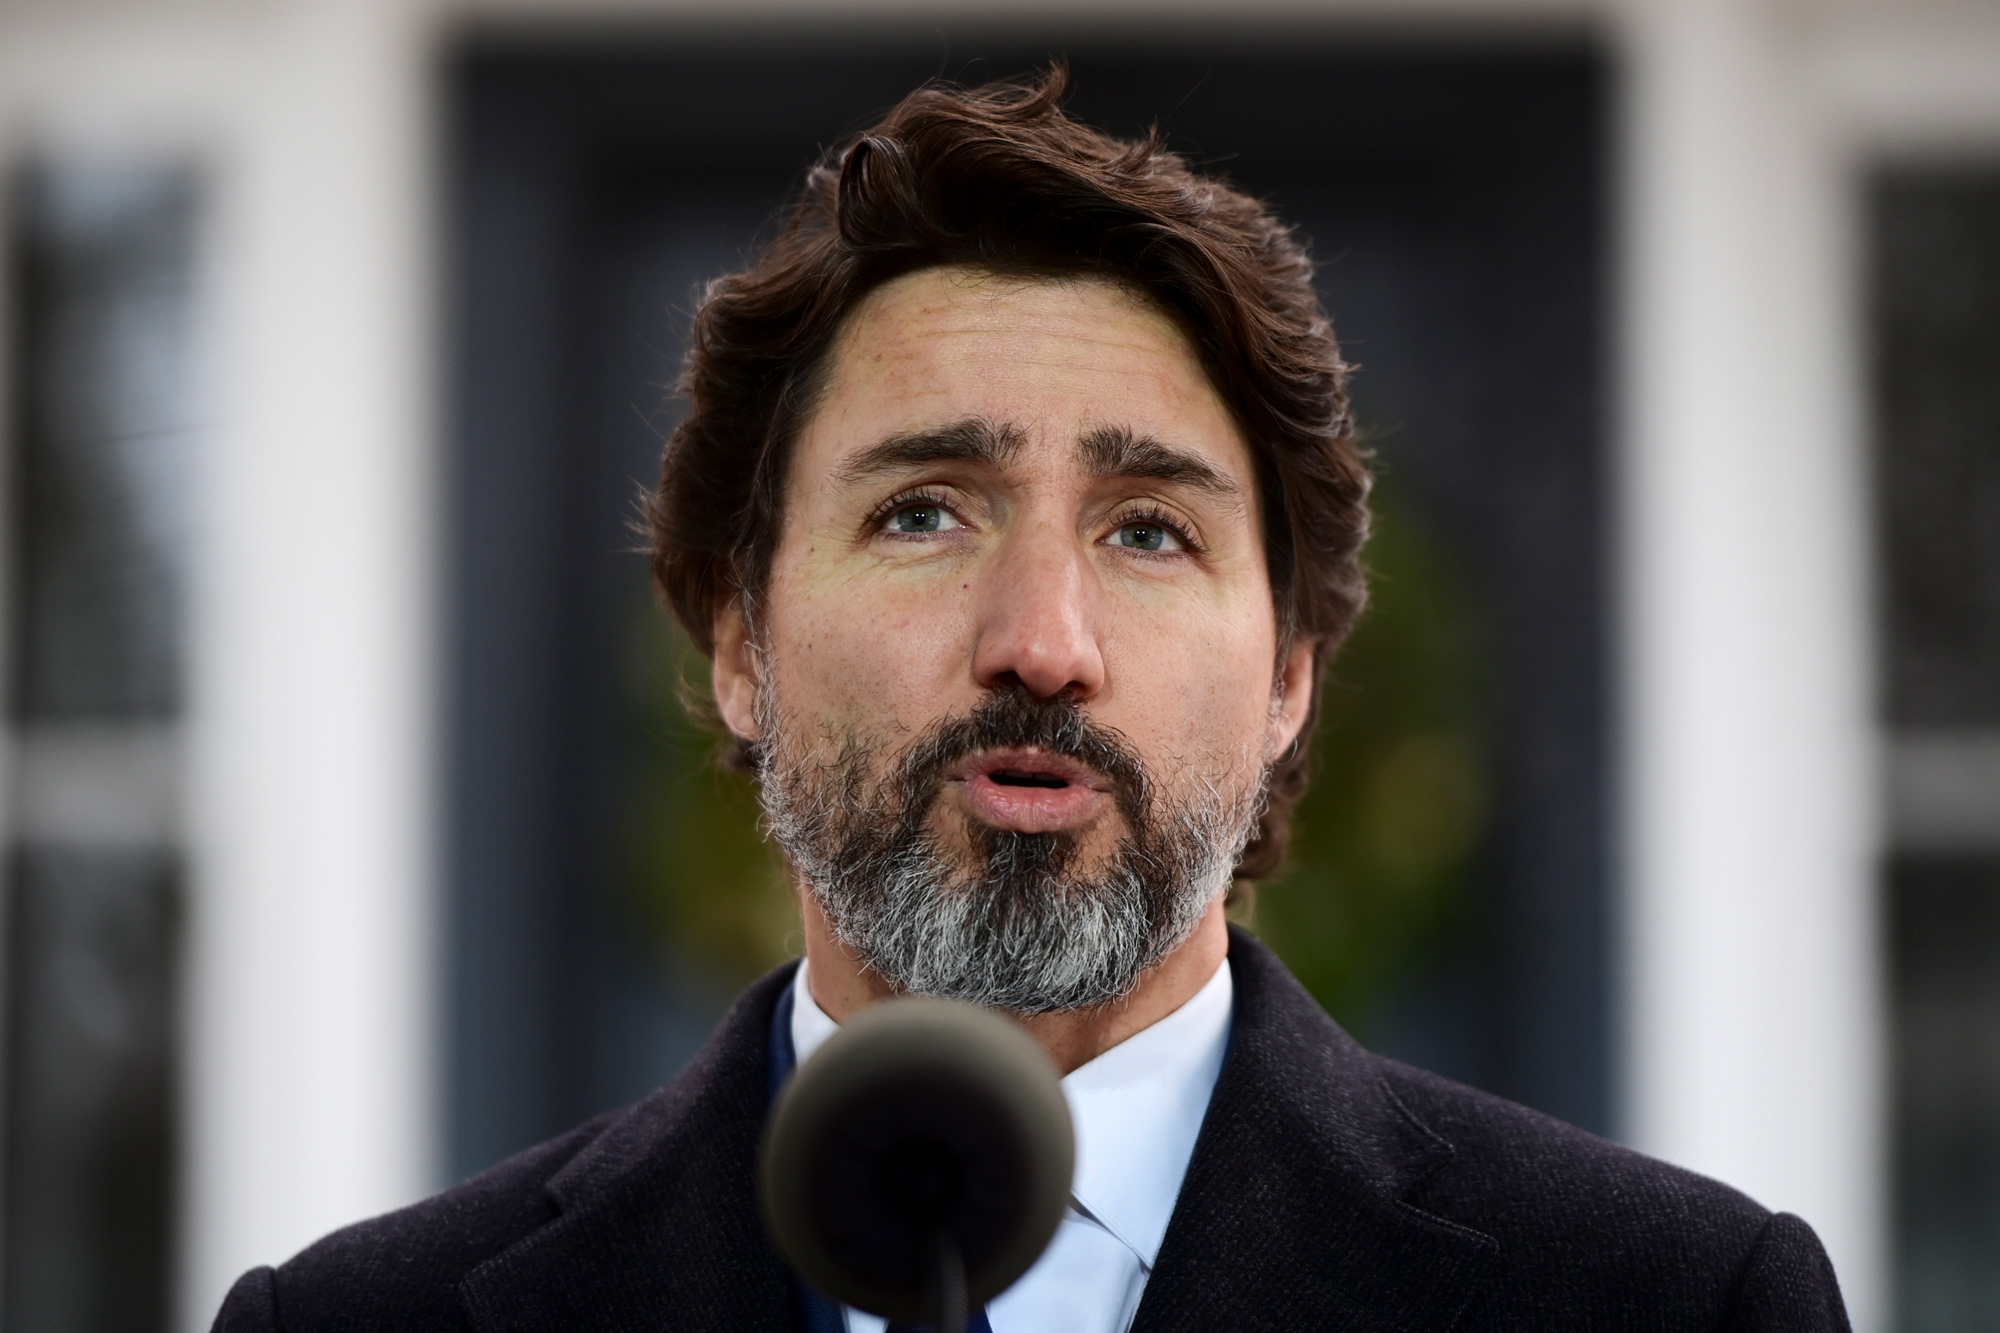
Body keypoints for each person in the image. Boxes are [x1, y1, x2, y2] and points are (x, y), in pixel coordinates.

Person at [212, 68, 1849, 1332]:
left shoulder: (1676, 1305)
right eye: (923, 510)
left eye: (1151, 529)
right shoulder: (360, 1323)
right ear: (737, 637)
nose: (1043, 641)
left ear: (1291, 675)